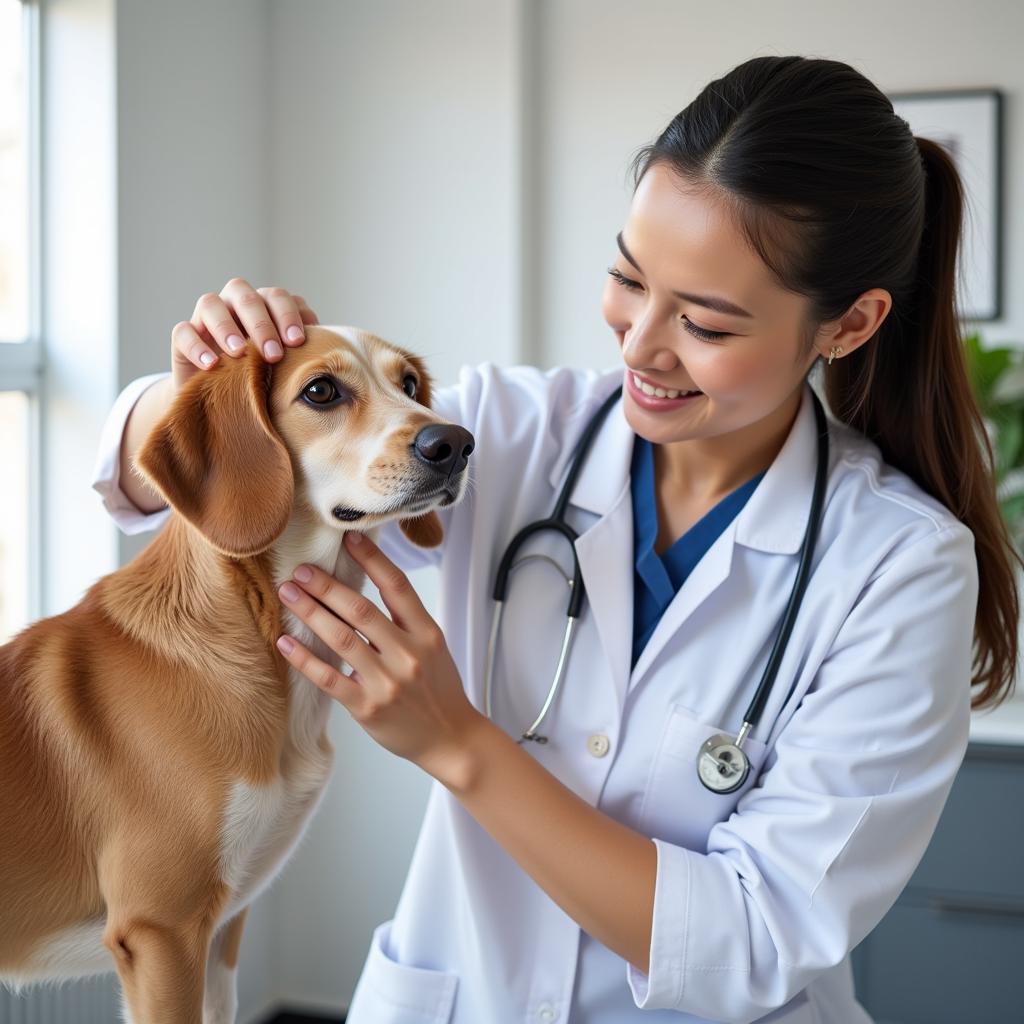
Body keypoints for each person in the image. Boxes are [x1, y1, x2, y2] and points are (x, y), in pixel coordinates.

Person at [91, 55, 1020, 1024]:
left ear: (849, 323)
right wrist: (207, 378)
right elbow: (139, 472)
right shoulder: (510, 430)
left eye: (703, 320)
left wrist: (458, 743)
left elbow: (750, 943)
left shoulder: (900, 567)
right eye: (627, 277)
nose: (640, 343)